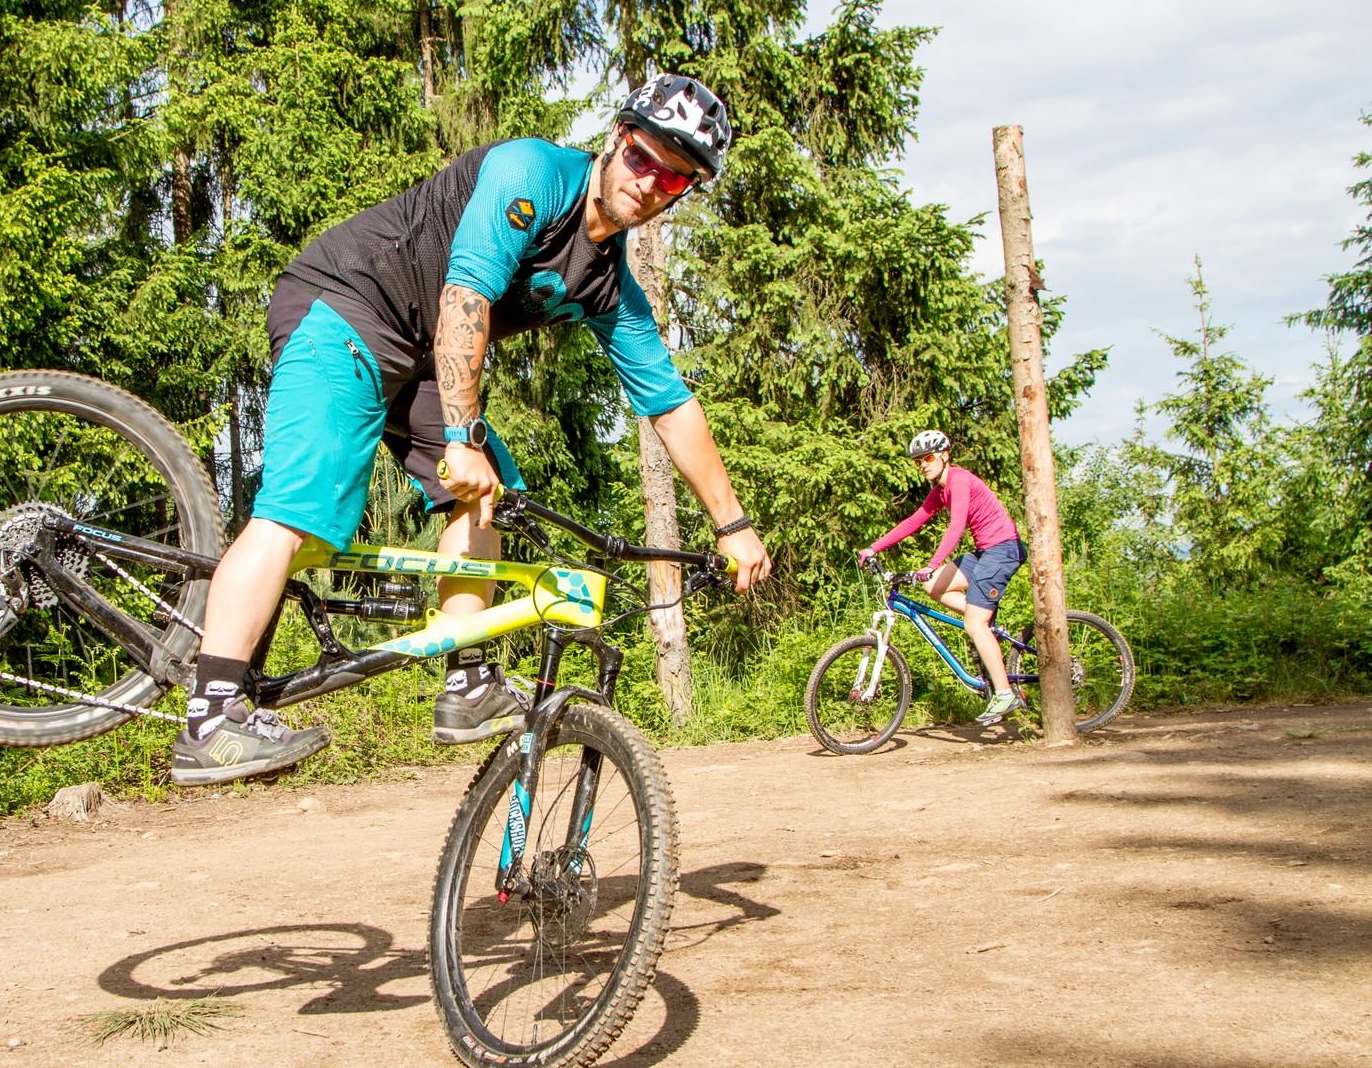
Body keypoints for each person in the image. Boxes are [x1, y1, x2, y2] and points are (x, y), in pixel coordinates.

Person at [173, 73, 774, 785]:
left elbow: (670, 405)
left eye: (674, 181)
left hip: (420, 355)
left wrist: (732, 523)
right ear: (616, 140)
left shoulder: (609, 284)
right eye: (644, 159)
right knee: (303, 505)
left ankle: (467, 684)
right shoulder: (535, 173)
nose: (650, 183)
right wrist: (460, 437)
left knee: (493, 495)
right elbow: (468, 293)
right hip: (345, 305)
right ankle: (211, 716)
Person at [858, 430, 1030, 726]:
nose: (922, 465)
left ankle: (1004, 693)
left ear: (944, 455)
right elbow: (914, 521)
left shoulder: (959, 480)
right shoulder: (940, 490)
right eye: (917, 462)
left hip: (1003, 550)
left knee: (973, 623)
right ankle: (985, 623)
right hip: (984, 552)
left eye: (927, 458)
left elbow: (957, 526)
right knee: (932, 585)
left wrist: (933, 562)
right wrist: (875, 547)